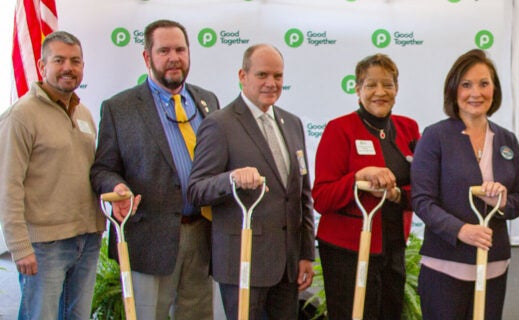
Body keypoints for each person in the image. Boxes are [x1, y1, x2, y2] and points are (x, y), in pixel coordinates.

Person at [91, 19, 219, 320]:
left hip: (204, 234)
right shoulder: (119, 107)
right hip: (150, 238)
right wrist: (117, 188)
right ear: (147, 57)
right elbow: (103, 168)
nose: (174, 57)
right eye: (164, 51)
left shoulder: (208, 100)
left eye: (180, 49)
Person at [187, 44, 314, 319]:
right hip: (243, 261)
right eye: (262, 75)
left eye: (278, 76)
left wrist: (306, 253)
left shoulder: (292, 123)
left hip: (287, 266)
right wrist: (230, 179)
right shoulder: (219, 124)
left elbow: (301, 195)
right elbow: (196, 190)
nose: (271, 83)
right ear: (242, 76)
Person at [410, 49, 519, 320]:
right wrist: (461, 230)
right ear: (454, 90)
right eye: (466, 84)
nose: (476, 93)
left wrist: (501, 202)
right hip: (445, 267)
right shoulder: (435, 136)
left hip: (494, 266)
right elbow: (422, 200)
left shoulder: (507, 139)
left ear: (494, 90)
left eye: (484, 84)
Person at [0, 31, 105, 320]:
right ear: (41, 65)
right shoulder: (20, 116)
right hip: (45, 247)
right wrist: (20, 247)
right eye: (59, 60)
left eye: (75, 61)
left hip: (86, 239)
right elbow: (7, 187)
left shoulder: (83, 113)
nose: (68, 68)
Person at [311, 53, 419, 319]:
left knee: (390, 313)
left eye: (387, 84)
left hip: (393, 245)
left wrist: (395, 195)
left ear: (397, 88)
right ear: (357, 89)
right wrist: (359, 177)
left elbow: (420, 192)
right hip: (347, 250)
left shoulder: (409, 129)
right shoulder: (339, 129)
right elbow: (322, 198)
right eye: (371, 85)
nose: (380, 92)